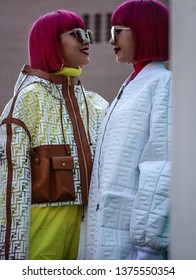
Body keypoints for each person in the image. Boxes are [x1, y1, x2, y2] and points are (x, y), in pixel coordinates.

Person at [0, 9, 108, 260]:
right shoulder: (27, 101)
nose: (87, 40)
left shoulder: (95, 104)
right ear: (50, 42)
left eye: (88, 33)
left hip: (87, 234)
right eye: (78, 34)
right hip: (41, 235)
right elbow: (8, 186)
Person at [78, 0, 172, 260]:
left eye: (118, 30)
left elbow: (161, 167)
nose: (111, 40)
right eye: (111, 31)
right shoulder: (130, 86)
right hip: (106, 232)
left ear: (145, 30)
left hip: (134, 245)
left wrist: (147, 246)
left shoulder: (163, 84)